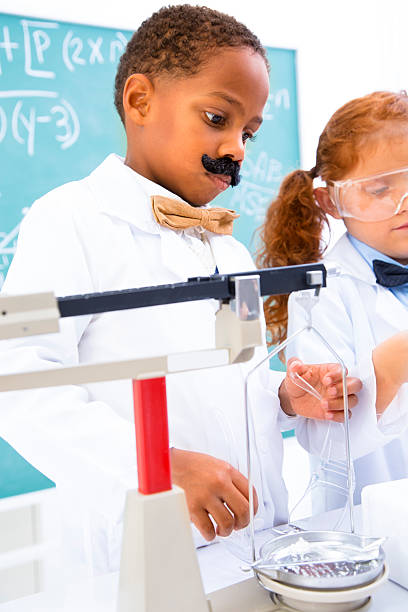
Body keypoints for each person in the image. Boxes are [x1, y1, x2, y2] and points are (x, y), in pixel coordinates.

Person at [0, 5, 359, 573]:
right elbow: (17, 378)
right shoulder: (68, 219)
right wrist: (154, 465)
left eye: (248, 132)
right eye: (218, 118)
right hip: (143, 552)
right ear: (140, 101)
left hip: (261, 539)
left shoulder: (229, 248)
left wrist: (284, 397)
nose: (238, 148)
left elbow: (231, 376)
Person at [258, 90, 408, 511]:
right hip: (374, 527)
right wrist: (388, 370)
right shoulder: (322, 295)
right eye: (380, 189)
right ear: (332, 202)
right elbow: (323, 438)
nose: (405, 202)